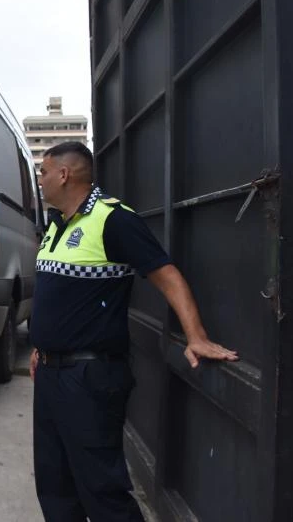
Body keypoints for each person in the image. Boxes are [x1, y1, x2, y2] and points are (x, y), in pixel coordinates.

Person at [30, 141, 238, 522]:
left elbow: (168, 276)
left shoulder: (114, 220)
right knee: (55, 484)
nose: (40, 180)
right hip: (50, 373)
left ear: (63, 174)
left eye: (43, 172)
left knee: (101, 490)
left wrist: (196, 336)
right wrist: (41, 349)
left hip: (88, 377)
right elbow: (57, 297)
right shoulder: (57, 224)